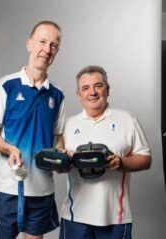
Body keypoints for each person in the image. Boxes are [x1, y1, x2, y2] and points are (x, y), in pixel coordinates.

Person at [0, 21, 66, 239]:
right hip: (7, 189)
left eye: (53, 45)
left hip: (42, 190)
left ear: (56, 52)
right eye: (42, 42)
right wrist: (10, 149)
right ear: (29, 44)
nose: (47, 49)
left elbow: (58, 139)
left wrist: (61, 157)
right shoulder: (6, 86)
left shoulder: (58, 95)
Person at [57, 65, 152, 239]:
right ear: (79, 95)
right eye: (85, 88)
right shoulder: (67, 125)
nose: (92, 92)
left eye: (98, 86)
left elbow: (145, 159)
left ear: (107, 90)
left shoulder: (127, 120)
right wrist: (64, 161)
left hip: (116, 217)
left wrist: (120, 163)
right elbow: (58, 164)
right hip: (74, 216)